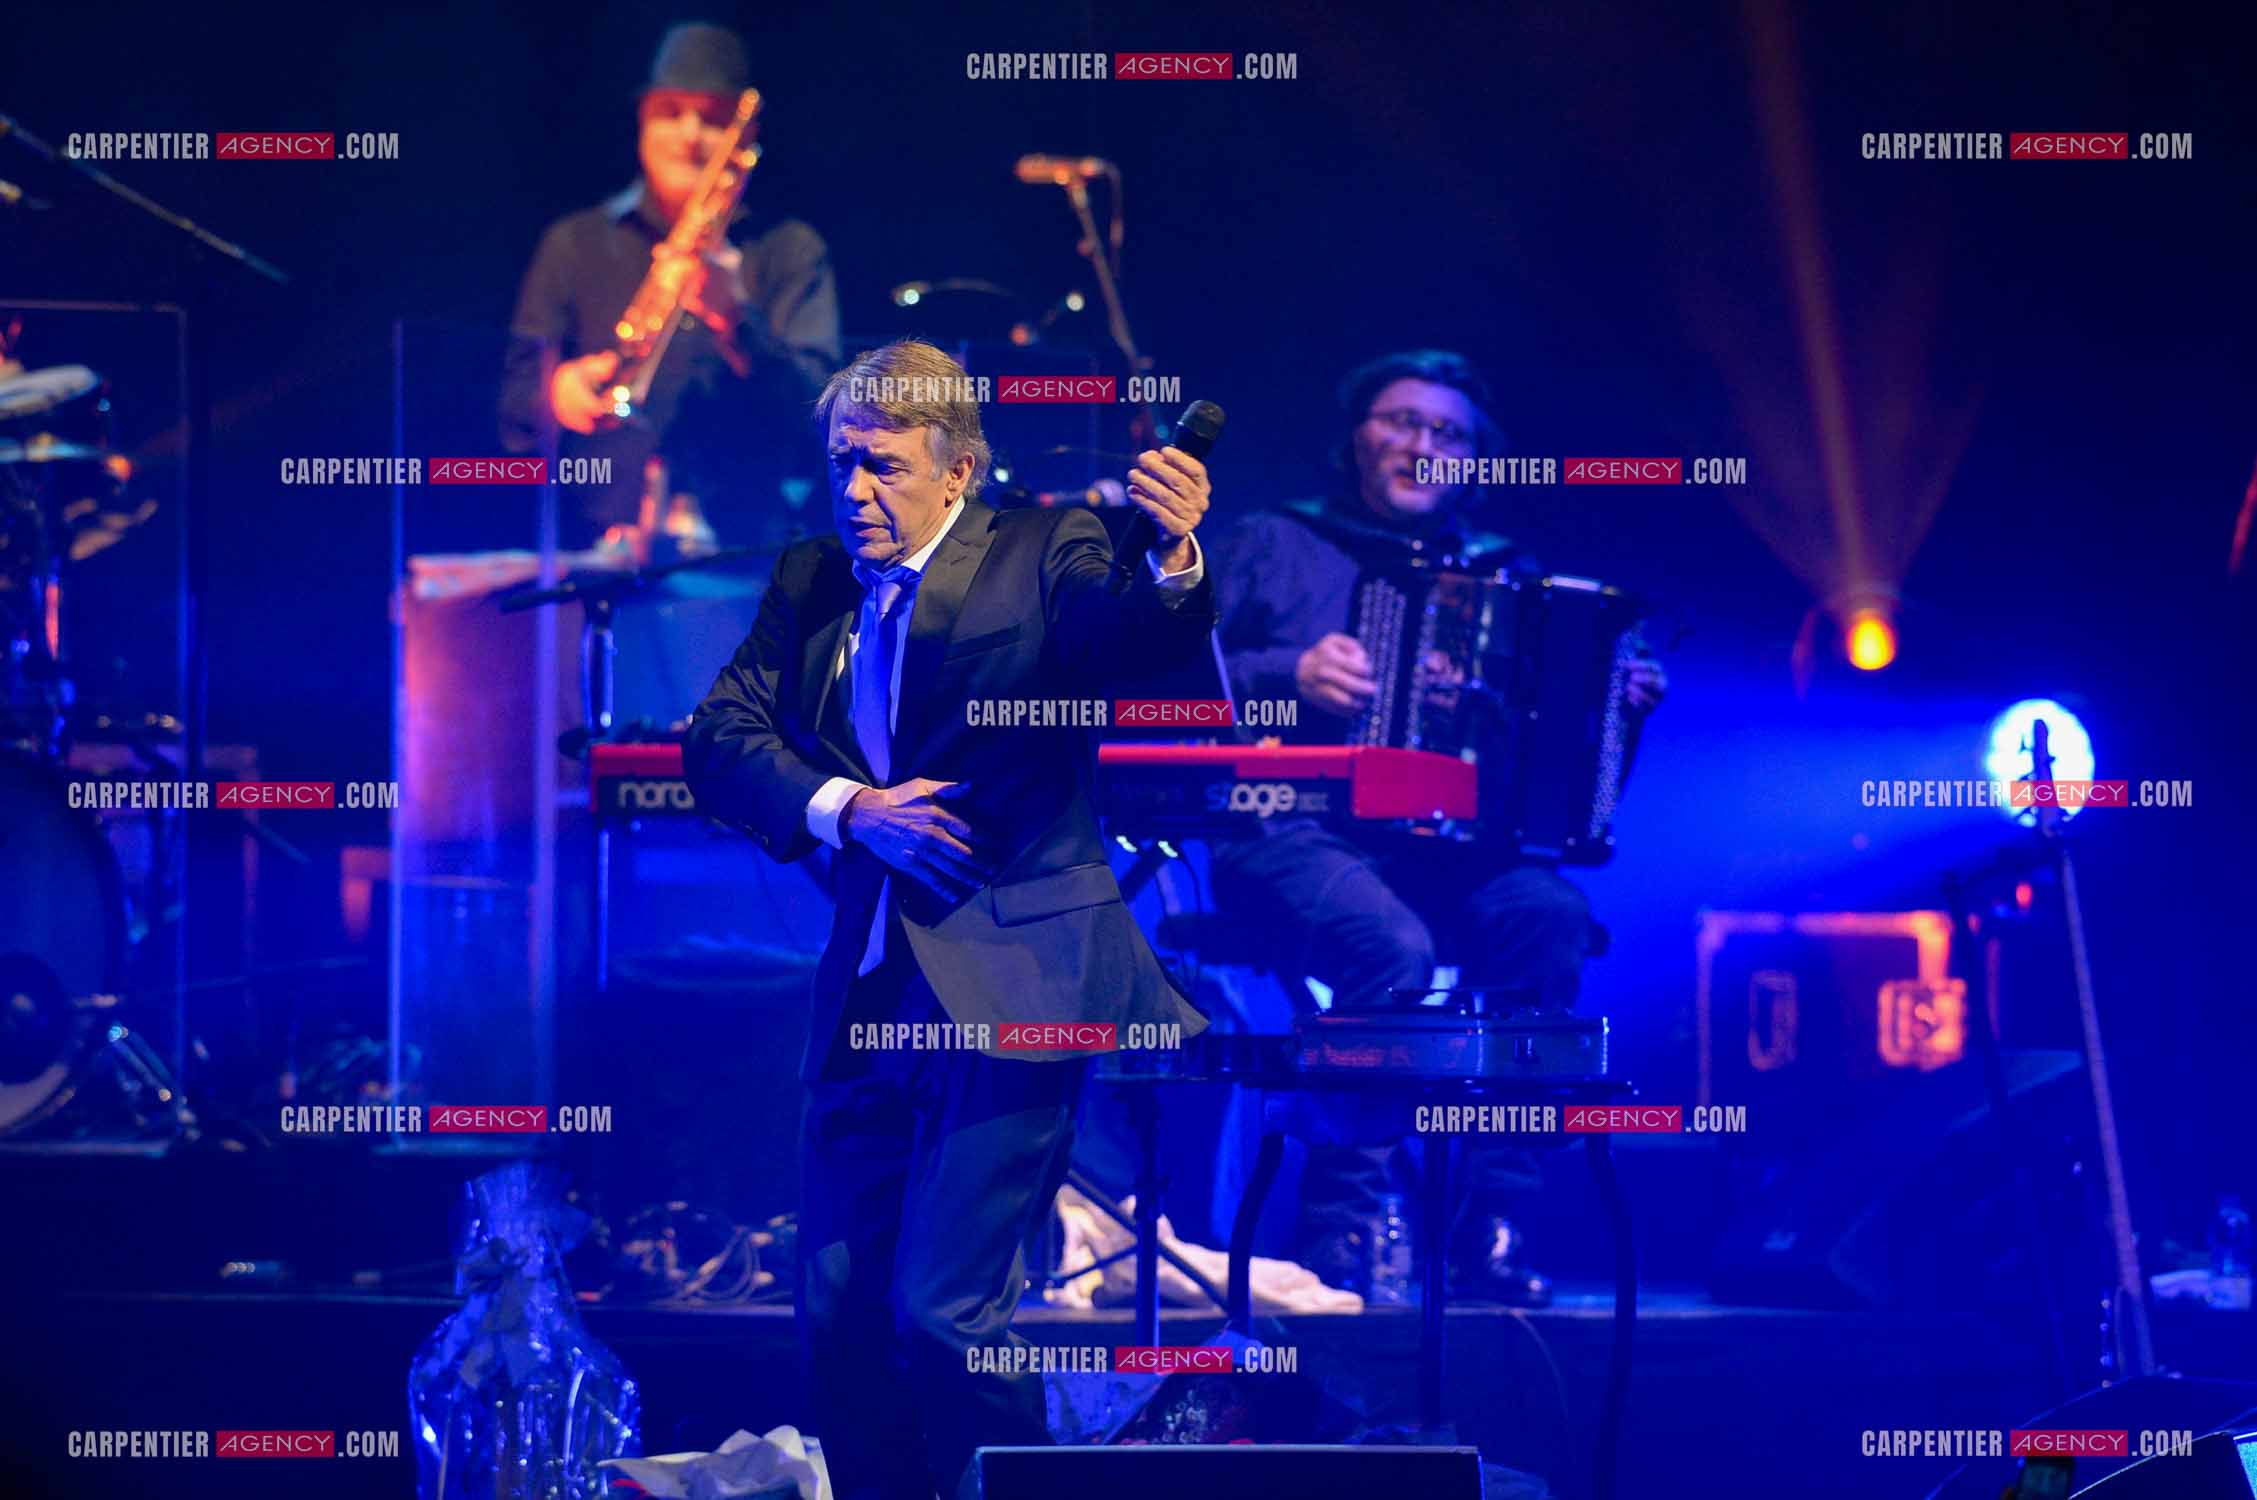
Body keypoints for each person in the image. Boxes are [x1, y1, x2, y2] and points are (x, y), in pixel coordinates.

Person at [681, 339, 1214, 1500]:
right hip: (873, 983)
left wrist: (1171, 560)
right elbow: (716, 740)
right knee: (833, 1314)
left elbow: (1127, 645)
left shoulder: (1045, 546)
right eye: (840, 467)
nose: (856, 494)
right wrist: (850, 809)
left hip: (1014, 979)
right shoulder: (810, 581)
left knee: (944, 1314)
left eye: (881, 467)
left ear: (958, 470)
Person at [1207, 348, 1667, 1306]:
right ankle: (1345, 1233)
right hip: (1290, 830)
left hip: (1450, 851)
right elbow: (1163, 683)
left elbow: (1558, 770)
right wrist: (1280, 677)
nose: (1421, 444)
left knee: (1547, 920)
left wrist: (1616, 706)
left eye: (1446, 432)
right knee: (1387, 945)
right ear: (1356, 440)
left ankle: (1486, 1227)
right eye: (1400, 422)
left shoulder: (1506, 576)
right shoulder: (1273, 541)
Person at [500, 22, 841, 549]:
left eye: (711, 118)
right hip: (591, 557)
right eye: (670, 112)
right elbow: (513, 406)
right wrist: (558, 393)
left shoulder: (790, 248)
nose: (689, 134)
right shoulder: (574, 242)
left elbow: (825, 420)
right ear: (642, 120)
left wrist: (737, 322)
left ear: (743, 137)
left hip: (744, 564)